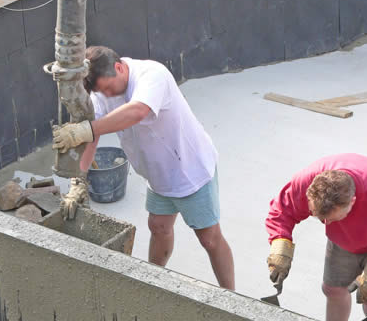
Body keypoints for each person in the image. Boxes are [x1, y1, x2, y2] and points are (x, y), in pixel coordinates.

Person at [52, 46, 235, 290]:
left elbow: (137, 111)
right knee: (158, 227)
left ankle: (231, 297)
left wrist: (89, 129)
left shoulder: (152, 75)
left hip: (190, 171)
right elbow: (92, 136)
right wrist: (79, 179)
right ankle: (152, 283)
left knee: (209, 240)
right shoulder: (103, 90)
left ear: (119, 67)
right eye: (101, 91)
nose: (106, 95)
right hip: (158, 175)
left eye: (108, 88)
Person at [265, 153, 367, 321]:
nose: (326, 223)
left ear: (353, 202)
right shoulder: (307, 182)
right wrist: (280, 246)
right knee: (333, 290)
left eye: (333, 218)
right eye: (320, 216)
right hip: (344, 240)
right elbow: (282, 211)